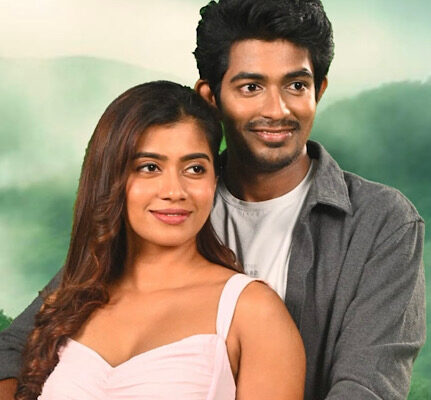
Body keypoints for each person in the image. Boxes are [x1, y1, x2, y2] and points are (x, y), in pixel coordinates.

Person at [0, 0, 426, 399]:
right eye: (251, 86)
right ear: (211, 98)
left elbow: (366, 387)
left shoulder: (380, 222)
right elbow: (20, 344)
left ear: (320, 90)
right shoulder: (171, 207)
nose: (277, 109)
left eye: (297, 85)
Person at [9, 81, 305, 400]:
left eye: (194, 169)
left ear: (214, 180)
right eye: (150, 167)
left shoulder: (253, 312)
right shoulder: (71, 300)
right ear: (110, 177)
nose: (175, 191)